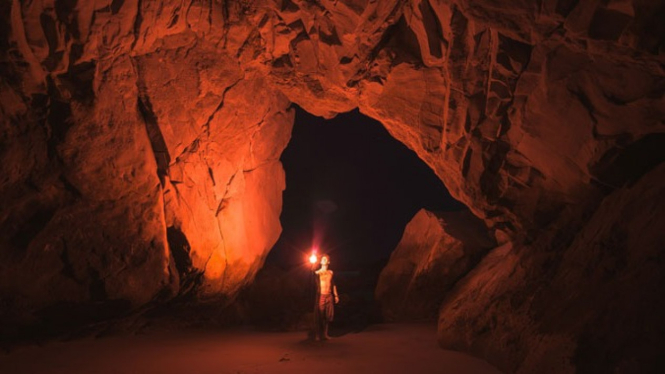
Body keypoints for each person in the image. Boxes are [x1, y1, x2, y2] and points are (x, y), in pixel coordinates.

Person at [313, 254, 339, 340]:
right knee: (319, 316)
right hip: (321, 296)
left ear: (328, 262)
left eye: (325, 259)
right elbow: (312, 272)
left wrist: (336, 295)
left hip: (329, 295)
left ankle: (325, 334)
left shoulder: (331, 272)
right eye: (322, 259)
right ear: (320, 262)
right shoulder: (317, 272)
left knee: (328, 316)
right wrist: (313, 263)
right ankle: (317, 335)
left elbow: (333, 284)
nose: (324, 260)